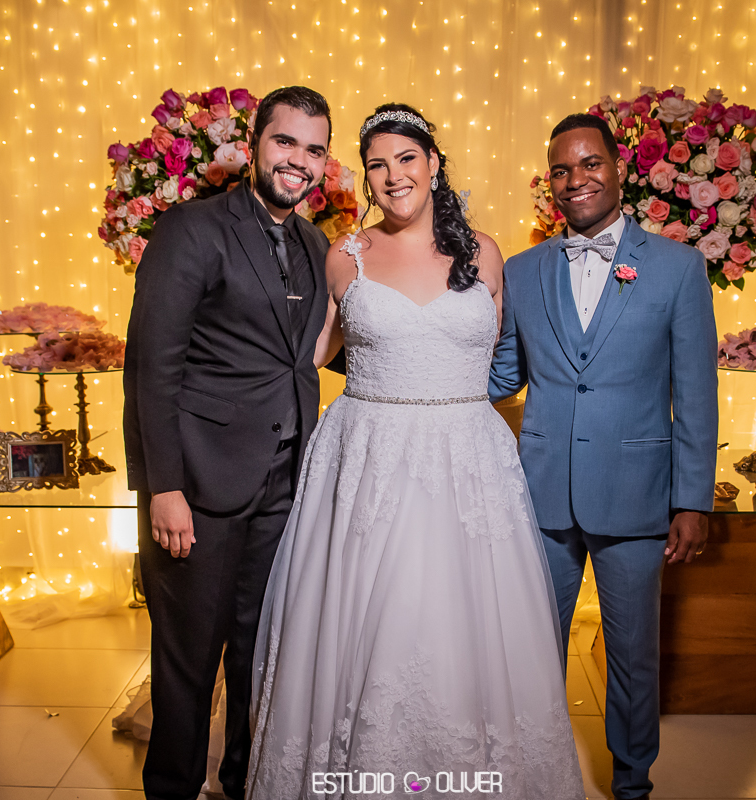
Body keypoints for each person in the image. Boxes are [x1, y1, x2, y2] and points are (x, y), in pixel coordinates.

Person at [246, 104, 585, 799]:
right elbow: (303, 358)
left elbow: (501, 356)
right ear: (364, 178)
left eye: (406, 158)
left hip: (468, 461)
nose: (393, 175)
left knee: (466, 630)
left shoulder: (485, 253)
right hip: (370, 459)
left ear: (433, 164)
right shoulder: (344, 255)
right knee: (369, 627)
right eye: (376, 164)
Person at [488, 112, 719, 800]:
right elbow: (504, 375)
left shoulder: (678, 268)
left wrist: (692, 500)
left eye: (590, 164)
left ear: (618, 170)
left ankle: (631, 780)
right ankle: (535, 773)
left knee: (633, 657)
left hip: (636, 494)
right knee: (532, 650)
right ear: (549, 184)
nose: (576, 179)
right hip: (541, 496)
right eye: (561, 170)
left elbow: (696, 393)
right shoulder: (523, 271)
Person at [122, 85, 333, 800]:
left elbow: (304, 355)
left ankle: (245, 783)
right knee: (187, 663)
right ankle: (173, 788)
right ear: (252, 145)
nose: (299, 160)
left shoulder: (314, 244)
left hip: (283, 484)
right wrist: (163, 487)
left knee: (259, 654)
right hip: (200, 486)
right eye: (285, 141)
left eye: (314, 150)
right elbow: (152, 367)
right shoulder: (192, 229)